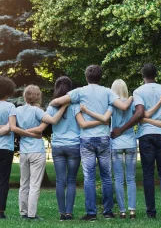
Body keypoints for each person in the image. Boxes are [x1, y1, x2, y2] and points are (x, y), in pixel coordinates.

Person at [50, 65, 133, 221]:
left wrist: (68, 102)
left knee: (89, 177)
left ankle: (91, 213)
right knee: (107, 176)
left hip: (86, 139)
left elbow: (56, 102)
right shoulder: (108, 92)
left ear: (86, 77)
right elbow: (123, 106)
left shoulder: (79, 92)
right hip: (103, 138)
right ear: (100, 77)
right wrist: (132, 97)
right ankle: (108, 212)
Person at [111, 63, 161, 219]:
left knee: (148, 174)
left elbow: (140, 113)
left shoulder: (138, 91)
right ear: (156, 75)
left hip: (145, 136)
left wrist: (121, 129)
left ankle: (151, 212)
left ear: (143, 76)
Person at [26, 76, 104, 221]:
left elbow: (45, 124)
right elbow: (82, 124)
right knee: (71, 180)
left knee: (60, 181)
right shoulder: (75, 106)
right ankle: (69, 212)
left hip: (57, 147)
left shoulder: (51, 107)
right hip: (74, 146)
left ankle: (62, 213)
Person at [0, 76, 39, 219]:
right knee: (3, 180)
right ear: (8, 91)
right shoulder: (11, 107)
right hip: (5, 148)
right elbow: (11, 127)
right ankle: (1, 211)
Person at [80, 79, 139, 219]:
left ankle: (122, 211)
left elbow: (105, 119)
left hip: (116, 143)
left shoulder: (112, 104)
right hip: (130, 142)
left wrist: (87, 111)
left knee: (118, 179)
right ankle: (132, 211)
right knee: (131, 178)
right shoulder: (132, 103)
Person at [10, 85, 68, 220]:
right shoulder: (37, 111)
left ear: (25, 96)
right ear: (37, 97)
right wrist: (64, 107)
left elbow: (14, 128)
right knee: (34, 184)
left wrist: (25, 132)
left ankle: (23, 212)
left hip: (23, 151)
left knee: (24, 183)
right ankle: (31, 214)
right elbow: (53, 120)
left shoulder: (17, 110)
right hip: (36, 150)